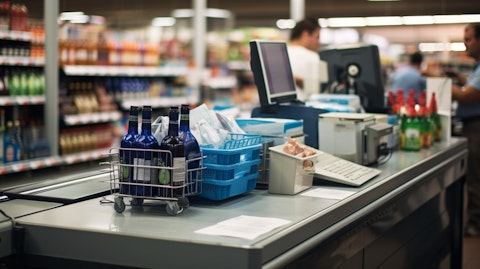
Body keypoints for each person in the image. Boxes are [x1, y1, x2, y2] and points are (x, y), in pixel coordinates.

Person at [448, 23, 480, 236]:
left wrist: (441, 83)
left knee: (476, 177)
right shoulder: (477, 67)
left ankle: (476, 224)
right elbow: (472, 85)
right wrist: (458, 79)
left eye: (468, 39)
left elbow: (469, 95)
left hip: (477, 127)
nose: (465, 43)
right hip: (473, 124)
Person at [287, 17, 322, 102]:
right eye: (317, 37)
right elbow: (317, 91)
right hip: (302, 108)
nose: (318, 42)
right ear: (305, 34)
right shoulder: (313, 57)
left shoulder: (277, 53)